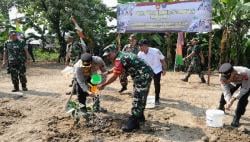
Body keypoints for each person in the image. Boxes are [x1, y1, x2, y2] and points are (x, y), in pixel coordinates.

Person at [98, 44, 153, 132]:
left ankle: (134, 121)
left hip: (142, 76)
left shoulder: (119, 58)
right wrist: (108, 72)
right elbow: (116, 68)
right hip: (143, 74)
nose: (108, 57)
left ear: (114, 51)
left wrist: (103, 85)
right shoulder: (122, 55)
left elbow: (115, 76)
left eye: (109, 55)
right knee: (141, 95)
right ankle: (140, 116)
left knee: (138, 97)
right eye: (106, 56)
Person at [218, 63, 250, 127]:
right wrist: (228, 101)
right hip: (234, 82)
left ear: (233, 73)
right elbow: (226, 91)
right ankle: (221, 107)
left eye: (227, 79)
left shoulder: (245, 73)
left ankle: (237, 117)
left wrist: (233, 99)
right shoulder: (222, 77)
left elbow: (244, 89)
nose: (225, 81)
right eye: (224, 79)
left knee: (243, 99)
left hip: (246, 83)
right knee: (225, 92)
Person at [137, 39, 167, 105]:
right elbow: (139, 63)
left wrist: (164, 69)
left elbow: (162, 59)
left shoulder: (156, 51)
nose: (139, 47)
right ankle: (144, 97)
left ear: (146, 46)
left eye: (141, 46)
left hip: (157, 69)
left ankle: (157, 98)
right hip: (147, 70)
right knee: (145, 84)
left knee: (157, 84)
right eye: (139, 46)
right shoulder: (140, 54)